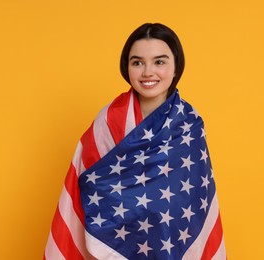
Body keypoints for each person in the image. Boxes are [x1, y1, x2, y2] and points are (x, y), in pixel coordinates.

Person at [45, 23, 226, 259]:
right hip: (113, 242)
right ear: (126, 67)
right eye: (137, 62)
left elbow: (194, 198)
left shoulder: (189, 124)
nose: (148, 72)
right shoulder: (109, 120)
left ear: (175, 67)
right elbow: (84, 183)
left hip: (170, 237)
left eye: (159, 62)